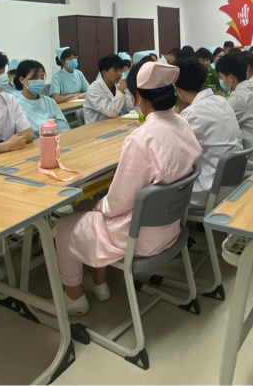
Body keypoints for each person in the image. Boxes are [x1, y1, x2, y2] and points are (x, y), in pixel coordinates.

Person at [54, 60, 202, 315]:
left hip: (140, 237)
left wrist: (98, 205)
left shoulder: (141, 139)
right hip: (171, 226)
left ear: (136, 97)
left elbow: (118, 203)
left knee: (64, 226)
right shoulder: (182, 124)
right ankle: (99, 283)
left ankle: (75, 298)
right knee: (95, 209)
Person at [174, 58, 243, 207]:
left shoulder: (192, 113)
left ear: (178, 89)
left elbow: (175, 152)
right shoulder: (221, 101)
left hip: (209, 189)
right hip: (230, 182)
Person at [13, 59, 71, 133]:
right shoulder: (16, 106)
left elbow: (64, 127)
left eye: (42, 77)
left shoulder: (49, 102)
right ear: (22, 80)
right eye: (35, 78)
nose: (39, 81)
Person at [83, 54, 133, 124]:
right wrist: (120, 91)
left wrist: (136, 94)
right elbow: (111, 112)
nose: (119, 74)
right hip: (97, 127)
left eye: (121, 70)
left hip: (113, 124)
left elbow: (128, 107)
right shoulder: (94, 89)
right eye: (115, 71)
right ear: (104, 73)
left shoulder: (116, 85)